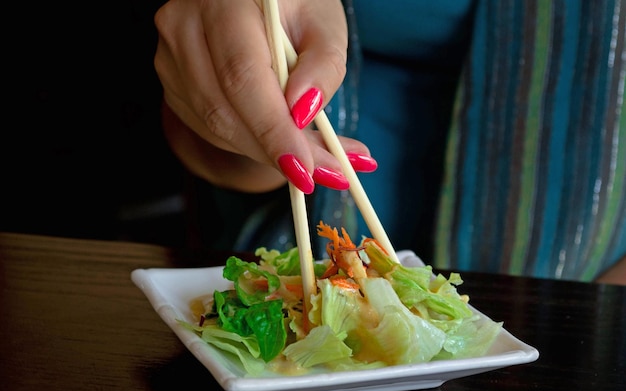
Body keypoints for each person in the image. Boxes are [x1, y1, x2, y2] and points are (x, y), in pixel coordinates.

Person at [153, 0, 626, 285]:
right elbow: (196, 145)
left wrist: (594, 323)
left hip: (589, 296)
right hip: (275, 258)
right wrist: (256, 128)